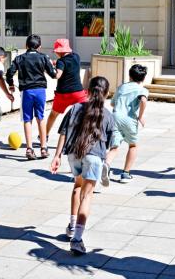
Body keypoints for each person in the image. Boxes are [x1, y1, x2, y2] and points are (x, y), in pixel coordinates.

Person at [50, 76, 115, 256]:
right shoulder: (108, 116)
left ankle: (72, 226)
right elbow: (111, 144)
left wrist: (56, 156)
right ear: (107, 94)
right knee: (87, 196)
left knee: (77, 187)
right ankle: (77, 239)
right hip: (94, 157)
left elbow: (63, 132)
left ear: (87, 90)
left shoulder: (75, 108)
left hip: (74, 154)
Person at [6, 34, 57, 160]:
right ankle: (44, 148)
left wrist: (11, 85)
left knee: (27, 119)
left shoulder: (19, 58)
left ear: (26, 46)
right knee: (41, 117)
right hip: (40, 91)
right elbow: (52, 74)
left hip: (27, 91)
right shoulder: (44, 57)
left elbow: (9, 73)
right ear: (39, 47)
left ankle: (29, 149)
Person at [103, 64, 149, 184]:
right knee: (133, 145)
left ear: (129, 76)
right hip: (129, 119)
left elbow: (113, 103)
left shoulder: (121, 87)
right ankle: (125, 174)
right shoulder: (142, 90)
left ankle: (106, 164)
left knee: (114, 147)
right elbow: (143, 100)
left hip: (115, 117)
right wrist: (140, 116)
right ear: (143, 78)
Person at [44, 39, 86, 140]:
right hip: (78, 93)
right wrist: (56, 63)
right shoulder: (76, 57)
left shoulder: (61, 61)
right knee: (85, 116)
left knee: (53, 115)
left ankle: (44, 135)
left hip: (63, 94)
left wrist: (48, 69)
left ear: (59, 51)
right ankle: (84, 137)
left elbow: (58, 75)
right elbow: (68, 65)